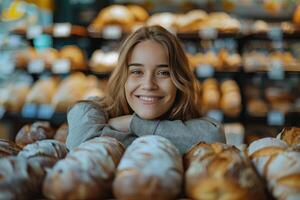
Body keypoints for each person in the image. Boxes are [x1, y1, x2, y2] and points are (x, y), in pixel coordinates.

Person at [66, 25, 225, 154]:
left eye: (163, 73)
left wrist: (133, 123)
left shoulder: (192, 120)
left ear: (179, 79)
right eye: (137, 72)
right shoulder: (94, 110)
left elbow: (213, 137)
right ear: (123, 77)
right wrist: (178, 141)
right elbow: (81, 146)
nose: (148, 84)